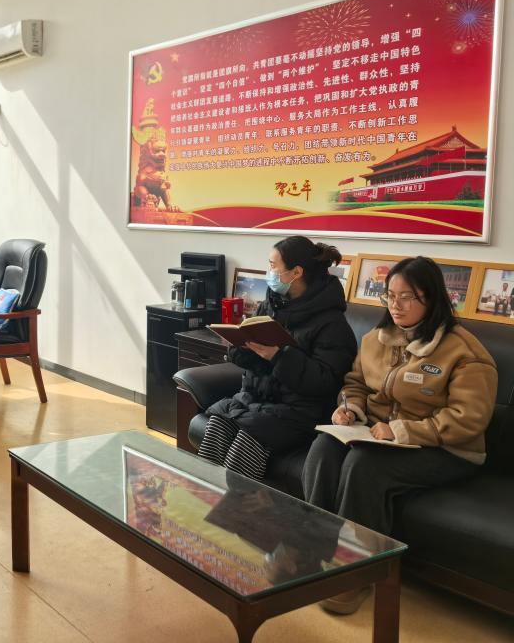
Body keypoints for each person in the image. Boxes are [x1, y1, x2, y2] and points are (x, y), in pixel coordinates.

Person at [302, 256, 497, 615]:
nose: (396, 305)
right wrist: (349, 409)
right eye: (390, 295)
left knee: (365, 465)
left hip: (447, 449)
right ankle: (314, 547)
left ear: (432, 298)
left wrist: (400, 431)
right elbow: (356, 383)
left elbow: (468, 419)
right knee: (324, 446)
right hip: (380, 436)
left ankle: (357, 571)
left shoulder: (464, 352)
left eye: (408, 297)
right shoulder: (376, 339)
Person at [197, 236, 356, 480]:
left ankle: (236, 503)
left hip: (299, 413)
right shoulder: (271, 304)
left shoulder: (332, 323)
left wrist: (279, 357)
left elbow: (326, 381)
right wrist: (239, 346)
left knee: (249, 436)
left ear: (296, 272)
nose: (269, 272)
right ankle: (203, 494)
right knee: (219, 423)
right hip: (256, 400)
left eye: (273, 266)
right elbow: (259, 361)